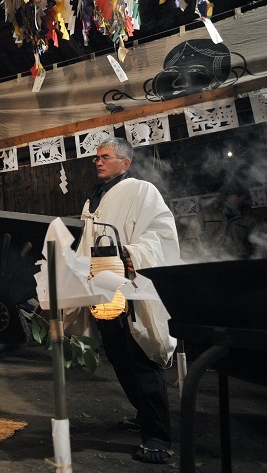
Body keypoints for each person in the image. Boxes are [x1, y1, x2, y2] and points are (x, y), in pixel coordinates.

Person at [67, 137, 180, 465]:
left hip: (132, 289)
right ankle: (144, 415)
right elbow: (87, 245)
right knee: (118, 357)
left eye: (105, 157)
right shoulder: (93, 201)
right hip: (105, 290)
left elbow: (159, 234)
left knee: (141, 358)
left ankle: (157, 435)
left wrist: (132, 254)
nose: (98, 162)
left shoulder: (141, 190)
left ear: (125, 163)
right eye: (96, 158)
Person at [181, 179, 256, 261]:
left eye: (244, 196)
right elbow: (190, 241)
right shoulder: (205, 215)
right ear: (228, 195)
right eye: (238, 195)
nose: (241, 199)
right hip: (206, 262)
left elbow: (255, 245)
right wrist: (190, 263)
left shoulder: (248, 221)